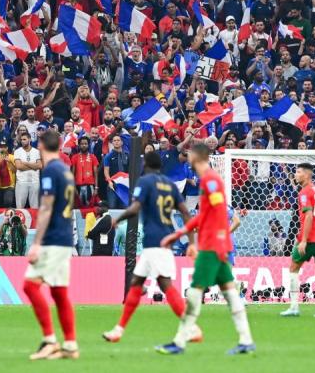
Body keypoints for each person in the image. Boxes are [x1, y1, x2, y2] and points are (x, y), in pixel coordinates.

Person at [155, 143, 255, 356]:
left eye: (189, 153)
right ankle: (246, 340)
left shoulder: (210, 181)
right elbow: (204, 215)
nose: (187, 156)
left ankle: (180, 342)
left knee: (194, 292)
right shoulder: (207, 181)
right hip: (216, 244)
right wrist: (179, 233)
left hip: (212, 246)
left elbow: (219, 211)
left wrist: (218, 239)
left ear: (196, 156)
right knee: (229, 292)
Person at [102, 151, 198, 343]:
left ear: (145, 164)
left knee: (165, 285)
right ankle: (118, 330)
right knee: (136, 284)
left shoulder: (145, 182)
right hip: (161, 240)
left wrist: (118, 219)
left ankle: (191, 327)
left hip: (156, 241)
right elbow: (186, 213)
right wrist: (192, 243)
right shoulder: (170, 185)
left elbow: (135, 208)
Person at [23, 130, 78, 360]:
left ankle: (49, 340)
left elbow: (46, 207)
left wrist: (36, 243)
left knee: (30, 286)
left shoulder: (51, 171)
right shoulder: (66, 171)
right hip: (65, 237)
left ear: (41, 145)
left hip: (53, 239)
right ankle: (70, 345)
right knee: (58, 291)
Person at [280, 163, 315, 318]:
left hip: (310, 237)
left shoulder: (304, 193)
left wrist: (303, 240)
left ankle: (294, 307)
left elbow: (309, 215)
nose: (295, 175)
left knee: (293, 268)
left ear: (307, 175)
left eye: (298, 172)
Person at [14, 132, 42, 209]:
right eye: (21, 140)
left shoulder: (36, 151)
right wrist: (34, 166)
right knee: (20, 206)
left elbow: (40, 165)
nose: (22, 141)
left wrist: (25, 163)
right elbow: (19, 166)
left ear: (29, 139)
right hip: (21, 182)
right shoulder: (17, 151)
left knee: (35, 206)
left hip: (35, 181)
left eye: (24, 139)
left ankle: (35, 221)